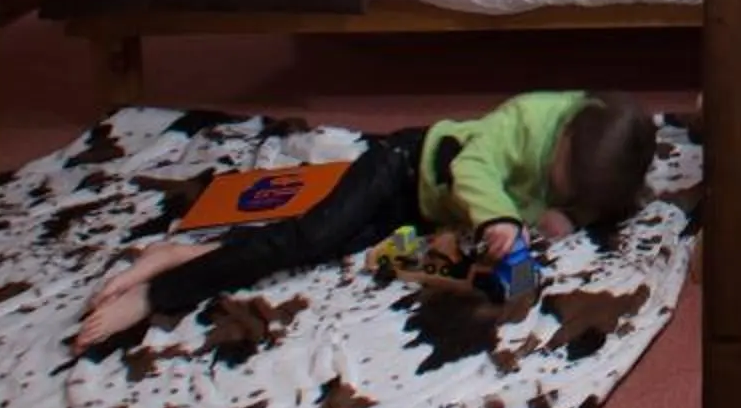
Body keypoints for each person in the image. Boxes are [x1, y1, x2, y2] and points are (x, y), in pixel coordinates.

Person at [73, 90, 657, 348]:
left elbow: (586, 202)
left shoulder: (597, 163)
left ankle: (182, 255)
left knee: (322, 252)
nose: (558, 186)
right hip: (400, 167)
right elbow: (473, 166)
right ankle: (158, 291)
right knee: (309, 235)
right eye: (558, 174)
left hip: (426, 213)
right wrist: (500, 219)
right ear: (570, 129)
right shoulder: (530, 116)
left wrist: (567, 218)